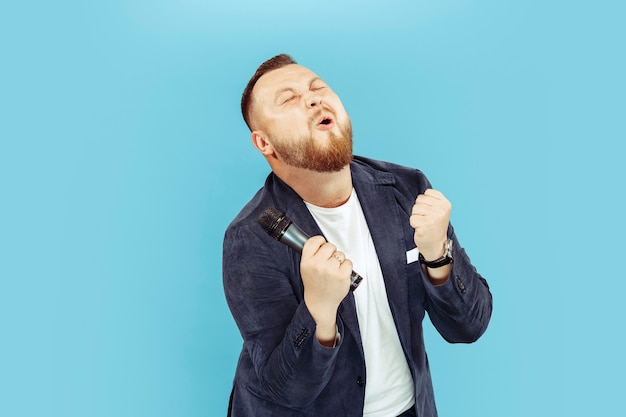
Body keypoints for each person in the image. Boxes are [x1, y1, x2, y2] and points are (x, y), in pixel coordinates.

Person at [222, 54, 492, 417]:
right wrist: (319, 309)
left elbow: (469, 326)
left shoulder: (406, 189)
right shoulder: (250, 238)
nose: (314, 98)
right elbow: (286, 389)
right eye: (288, 99)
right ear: (265, 144)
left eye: (318, 88)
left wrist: (438, 257)